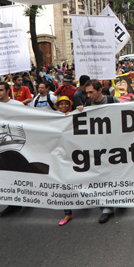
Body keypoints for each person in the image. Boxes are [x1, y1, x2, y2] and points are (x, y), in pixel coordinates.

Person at [76, 80, 117, 223]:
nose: (88, 95)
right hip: (97, 149)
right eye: (86, 92)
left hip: (116, 147)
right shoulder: (87, 105)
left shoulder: (112, 101)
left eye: (91, 92)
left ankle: (122, 198)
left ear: (100, 91)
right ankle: (106, 208)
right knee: (100, 177)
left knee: (116, 174)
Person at [0, 81, 28, 217]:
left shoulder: (17, 105)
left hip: (17, 143)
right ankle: (13, 202)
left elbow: (28, 120)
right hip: (1, 146)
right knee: (7, 173)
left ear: (7, 91)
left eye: (1, 90)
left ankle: (26, 195)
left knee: (20, 171)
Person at [55, 95, 76, 226]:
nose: (64, 106)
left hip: (74, 152)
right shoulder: (52, 117)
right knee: (62, 181)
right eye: (61, 104)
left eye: (66, 104)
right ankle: (67, 213)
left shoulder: (73, 115)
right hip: (59, 154)